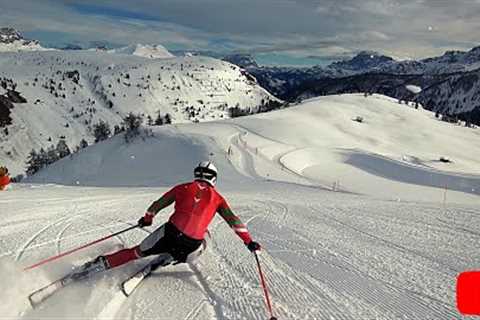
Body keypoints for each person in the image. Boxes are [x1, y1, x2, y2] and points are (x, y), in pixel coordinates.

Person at [91, 161, 261, 271]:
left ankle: (98, 266)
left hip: (169, 235)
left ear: (196, 174)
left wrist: (147, 219)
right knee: (205, 237)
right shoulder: (218, 199)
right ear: (213, 179)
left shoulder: (182, 188)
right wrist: (249, 242)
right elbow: (234, 222)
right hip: (191, 248)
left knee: (135, 253)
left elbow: (155, 206)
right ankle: (173, 256)